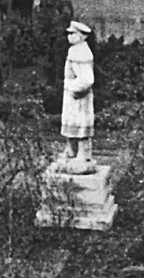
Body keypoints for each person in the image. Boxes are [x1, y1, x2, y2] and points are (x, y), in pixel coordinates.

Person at [59, 20, 97, 174]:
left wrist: (73, 88)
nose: (69, 36)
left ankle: (82, 154)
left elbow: (87, 79)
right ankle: (71, 150)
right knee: (71, 122)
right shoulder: (74, 50)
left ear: (82, 36)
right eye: (68, 33)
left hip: (78, 96)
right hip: (71, 95)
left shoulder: (80, 52)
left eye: (73, 33)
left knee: (80, 124)